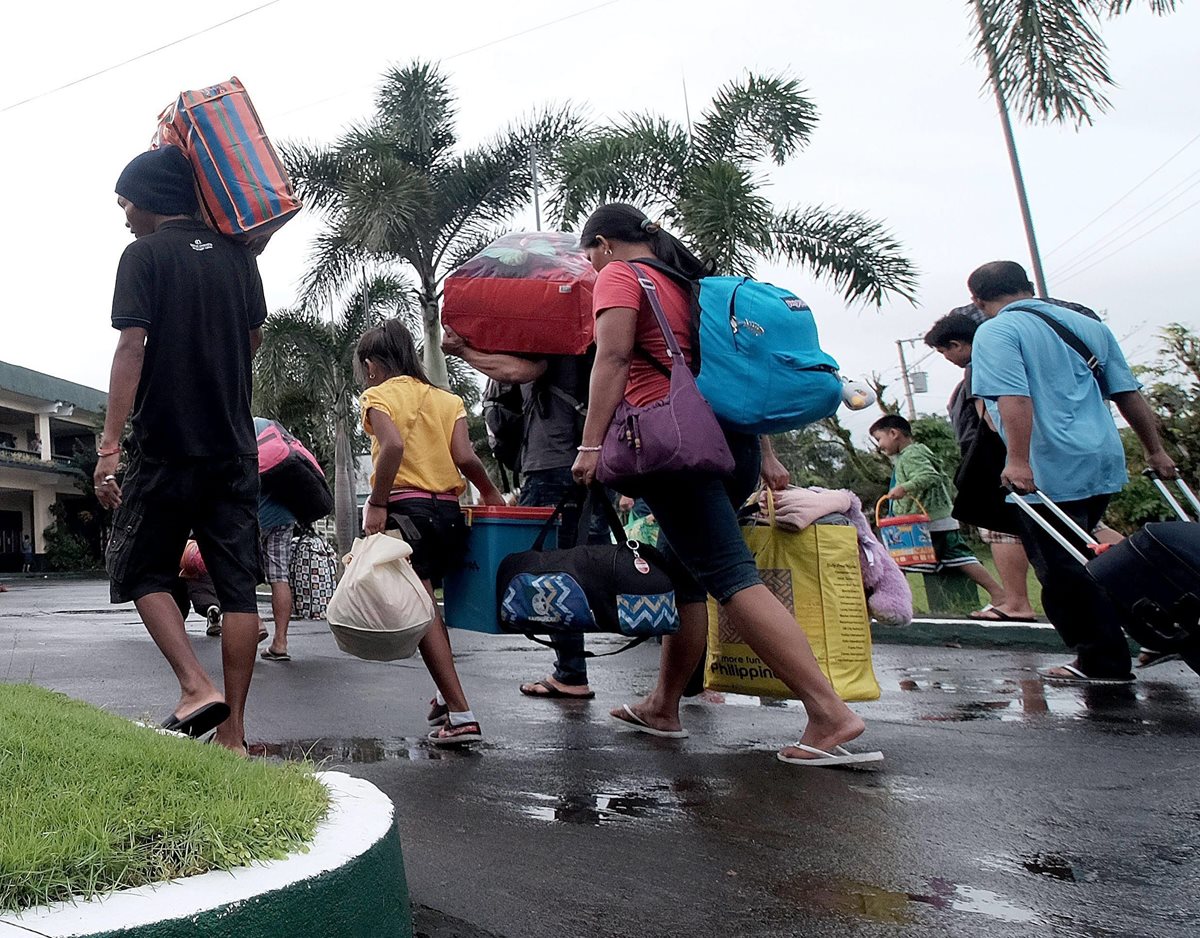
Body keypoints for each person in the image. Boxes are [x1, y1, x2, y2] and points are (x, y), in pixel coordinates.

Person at [570, 203, 880, 767]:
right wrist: (764, 453)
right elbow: (730, 374)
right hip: (725, 443)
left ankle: (830, 714)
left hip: (670, 447)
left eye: (587, 253)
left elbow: (612, 357)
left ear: (604, 244)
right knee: (686, 577)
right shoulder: (690, 285)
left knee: (730, 576)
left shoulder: (619, 276)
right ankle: (663, 705)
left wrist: (590, 445)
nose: (589, 265)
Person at [95, 146, 267, 753]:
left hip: (165, 445)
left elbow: (131, 350)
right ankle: (235, 735)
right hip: (233, 446)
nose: (124, 214)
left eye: (127, 201)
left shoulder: (141, 256)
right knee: (238, 586)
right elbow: (250, 339)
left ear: (152, 200)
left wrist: (111, 444)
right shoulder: (239, 258)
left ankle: (196, 686)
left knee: (139, 567)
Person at [967, 260, 1178, 684]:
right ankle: (1160, 630)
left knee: (1062, 572)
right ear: (1028, 286)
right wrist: (1156, 451)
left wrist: (1019, 460)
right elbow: (1127, 392)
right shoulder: (1086, 323)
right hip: (1100, 457)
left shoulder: (995, 332)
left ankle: (1101, 661)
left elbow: (1013, 397)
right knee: (1097, 558)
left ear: (977, 300)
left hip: (1048, 466)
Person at [356, 319, 505, 745]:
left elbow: (395, 447)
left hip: (407, 512)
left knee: (422, 613)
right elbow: (464, 455)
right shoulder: (447, 399)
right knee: (433, 608)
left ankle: (462, 716)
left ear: (371, 366)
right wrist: (492, 492)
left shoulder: (377, 395)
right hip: (449, 512)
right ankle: (445, 697)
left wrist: (379, 502)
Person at [441, 326, 602, 701]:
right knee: (574, 566)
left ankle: (571, 673)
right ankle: (572, 669)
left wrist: (464, 351)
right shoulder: (593, 335)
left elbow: (520, 372)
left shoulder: (556, 334)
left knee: (553, 570)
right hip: (590, 460)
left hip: (553, 466)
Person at [924, 311, 1037, 621]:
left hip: (993, 453)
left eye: (944, 350)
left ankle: (1015, 602)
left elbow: (989, 415)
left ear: (958, 344)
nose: (946, 357)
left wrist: (1008, 458)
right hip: (1023, 452)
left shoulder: (979, 366)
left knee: (1000, 530)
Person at [871, 413, 1008, 612]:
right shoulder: (909, 455)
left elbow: (929, 476)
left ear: (893, 433)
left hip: (930, 521)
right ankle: (998, 593)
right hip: (930, 521)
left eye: (879, 439)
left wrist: (905, 487)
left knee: (905, 561)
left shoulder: (912, 455)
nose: (879, 446)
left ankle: (896, 605)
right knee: (952, 556)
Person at [253, 416, 297, 662]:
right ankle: (280, 642)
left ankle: (256, 624)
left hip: (254, 514)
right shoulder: (274, 427)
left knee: (241, 571)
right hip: (284, 513)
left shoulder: (239, 425)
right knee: (279, 577)